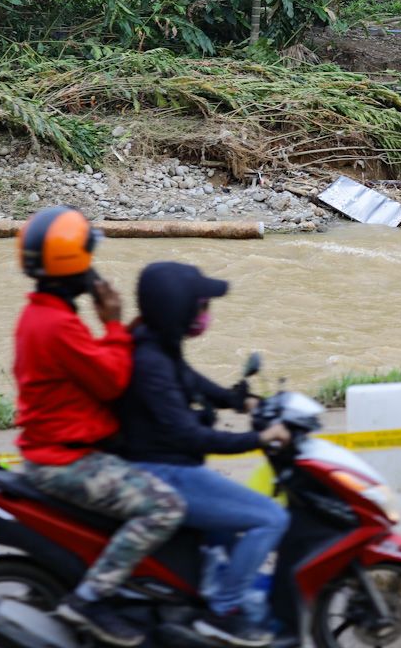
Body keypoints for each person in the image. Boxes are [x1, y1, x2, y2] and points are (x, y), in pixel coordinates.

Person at [13, 206, 186, 648]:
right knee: (164, 506)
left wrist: (113, 333)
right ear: (74, 266)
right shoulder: (59, 326)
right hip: (66, 459)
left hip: (52, 448)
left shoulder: (40, 316)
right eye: (87, 259)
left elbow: (89, 370)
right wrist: (112, 321)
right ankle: (90, 599)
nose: (93, 267)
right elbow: (111, 381)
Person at [115, 262, 291, 648]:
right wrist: (257, 440)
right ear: (179, 310)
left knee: (229, 531)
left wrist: (239, 400)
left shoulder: (157, 345)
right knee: (270, 518)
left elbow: (193, 382)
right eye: (201, 306)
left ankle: (221, 596)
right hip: (166, 474)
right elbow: (190, 435)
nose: (205, 314)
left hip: (171, 468)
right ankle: (223, 612)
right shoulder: (151, 362)